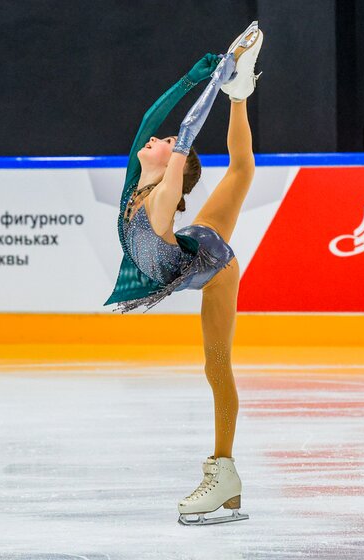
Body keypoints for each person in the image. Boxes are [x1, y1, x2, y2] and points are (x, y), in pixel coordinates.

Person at [103, 21, 264, 525]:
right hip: (196, 240)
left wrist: (215, 82)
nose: (157, 138)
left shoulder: (163, 197)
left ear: (175, 160)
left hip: (215, 269)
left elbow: (186, 134)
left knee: (216, 368)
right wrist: (191, 81)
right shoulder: (137, 181)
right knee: (241, 172)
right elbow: (149, 120)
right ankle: (243, 95)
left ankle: (224, 472)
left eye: (167, 141)